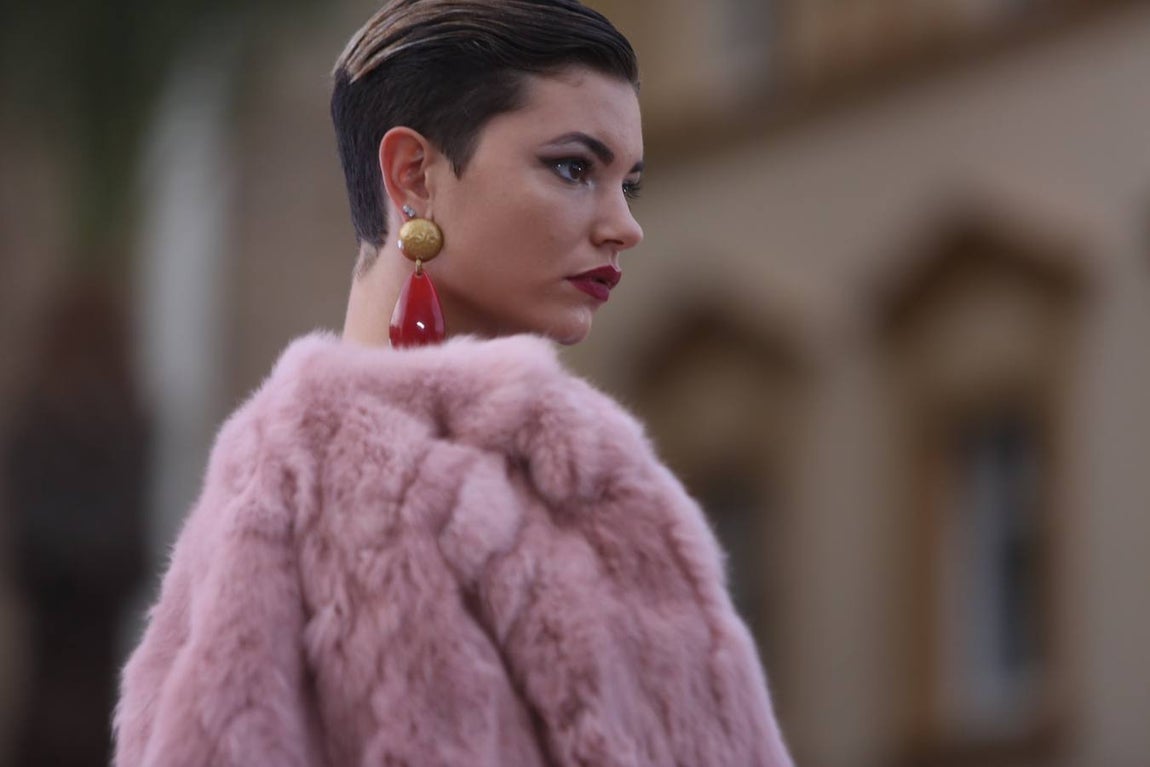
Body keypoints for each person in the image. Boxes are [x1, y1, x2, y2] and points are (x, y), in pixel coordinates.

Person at [113, 2, 795, 765]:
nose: (624, 225)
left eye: (627, 184)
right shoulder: (293, 493)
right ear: (414, 175)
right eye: (574, 168)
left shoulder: (611, 488)